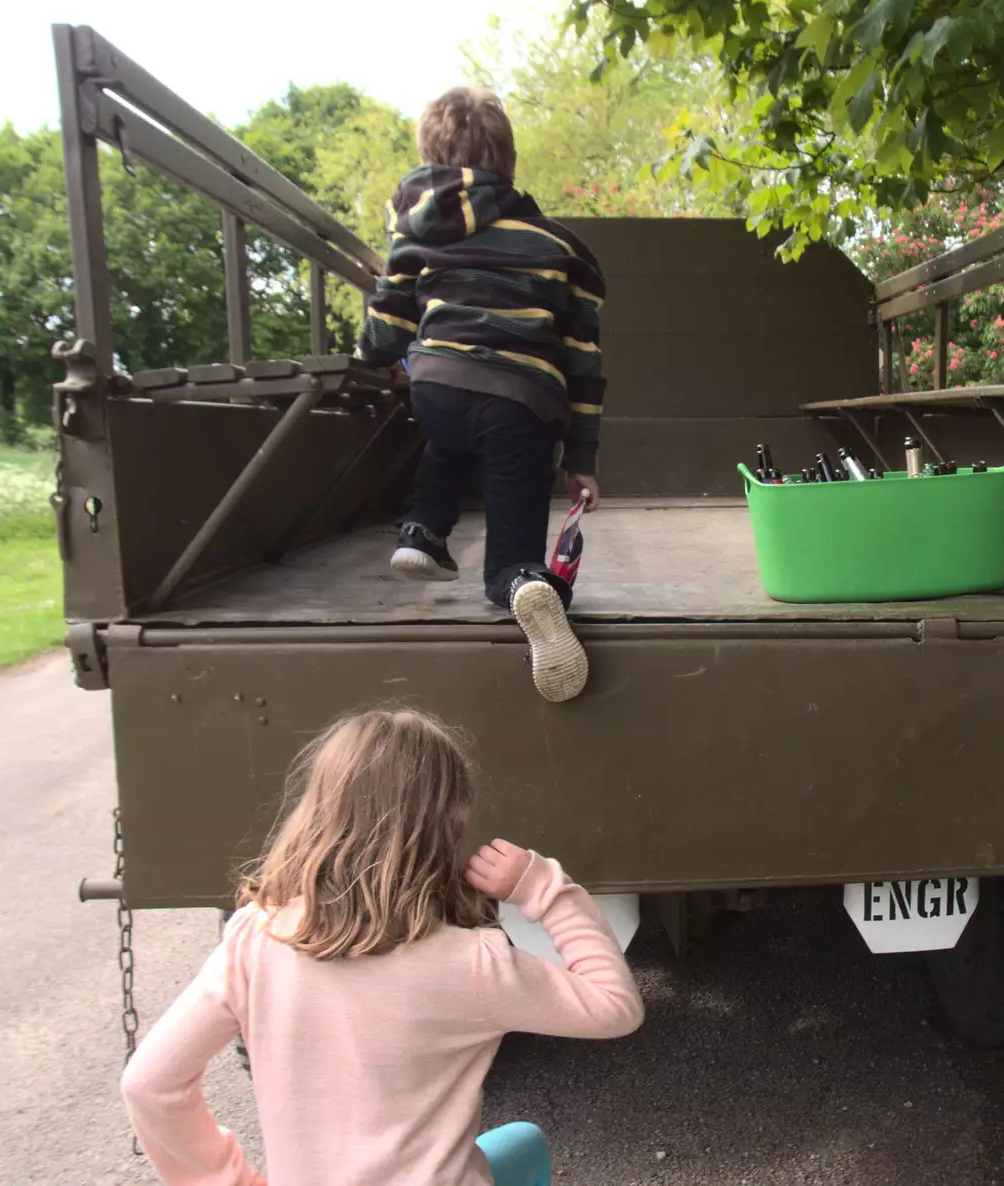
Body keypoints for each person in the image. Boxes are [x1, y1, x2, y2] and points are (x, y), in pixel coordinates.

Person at [120, 708, 644, 1186]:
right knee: (524, 1145)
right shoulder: (472, 964)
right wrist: (545, 889)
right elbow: (615, 1007)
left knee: (519, 1148)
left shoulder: (254, 936)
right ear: (453, 824)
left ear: (318, 810)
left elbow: (148, 1085)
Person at [354, 85, 607, 703]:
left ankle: (421, 532)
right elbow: (584, 362)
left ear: (429, 157)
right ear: (509, 159)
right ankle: (522, 584)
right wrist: (582, 461)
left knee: (448, 441)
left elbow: (386, 332)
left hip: (437, 386)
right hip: (524, 402)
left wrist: (370, 359)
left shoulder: (415, 235)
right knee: (511, 543)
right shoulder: (559, 247)